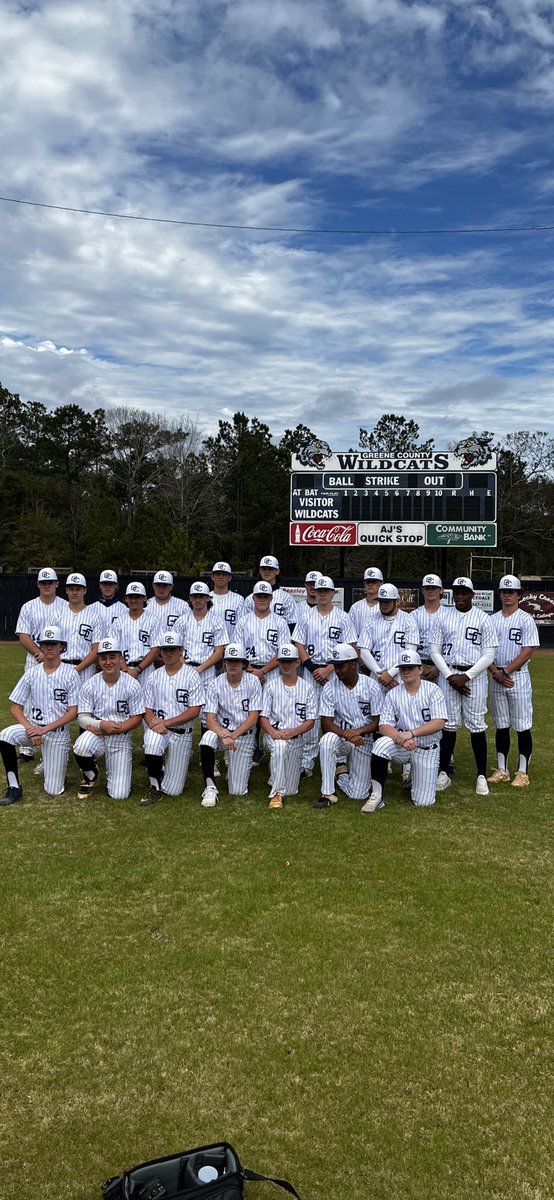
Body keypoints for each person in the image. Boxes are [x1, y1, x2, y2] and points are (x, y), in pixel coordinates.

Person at [430, 576, 497, 796]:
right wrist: (451, 677)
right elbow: (434, 651)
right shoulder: (443, 617)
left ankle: (481, 775)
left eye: (464, 592)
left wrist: (465, 677)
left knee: (476, 725)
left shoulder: (483, 618)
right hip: (449, 673)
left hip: (474, 676)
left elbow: (489, 654)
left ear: (472, 595)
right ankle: (444, 772)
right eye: (457, 592)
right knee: (448, 725)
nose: (460, 596)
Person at [0, 625, 79, 804]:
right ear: (41, 646)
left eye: (53, 643)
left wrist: (43, 730)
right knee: (5, 736)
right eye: (45, 644)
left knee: (53, 790)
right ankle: (14, 788)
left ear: (62, 646)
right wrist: (31, 728)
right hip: (33, 729)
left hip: (57, 734)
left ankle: (58, 771)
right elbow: (15, 707)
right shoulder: (32, 673)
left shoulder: (71, 674)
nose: (49, 647)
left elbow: (73, 712)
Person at [363, 650, 447, 812]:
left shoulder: (433, 690)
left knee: (423, 802)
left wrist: (411, 733)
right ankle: (377, 796)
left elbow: (439, 722)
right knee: (380, 745)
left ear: (420, 669)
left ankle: (414, 776)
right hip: (402, 745)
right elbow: (384, 726)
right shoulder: (393, 694)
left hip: (426, 748)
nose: (406, 672)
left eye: (410, 668)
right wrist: (402, 739)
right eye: (403, 668)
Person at [292, 575, 357, 776]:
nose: (322, 594)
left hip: (336, 672)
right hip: (311, 671)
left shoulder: (343, 617)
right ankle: (307, 762)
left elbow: (351, 646)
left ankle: (339, 759)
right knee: (310, 715)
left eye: (326, 591)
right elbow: (298, 644)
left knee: (339, 714)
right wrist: (312, 668)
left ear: (332, 593)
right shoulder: (306, 616)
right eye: (319, 590)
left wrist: (329, 668)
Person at [73, 636, 145, 799]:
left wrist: (117, 729)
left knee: (119, 795)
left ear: (120, 658)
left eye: (112, 657)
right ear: (99, 661)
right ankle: (91, 774)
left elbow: (137, 718)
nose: (108, 662)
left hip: (121, 736)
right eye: (103, 658)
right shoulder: (90, 684)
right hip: (97, 733)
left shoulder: (132, 684)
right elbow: (82, 718)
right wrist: (101, 724)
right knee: (81, 746)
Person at [487, 574, 539, 788]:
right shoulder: (491, 620)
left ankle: (523, 772)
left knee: (522, 725)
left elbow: (528, 651)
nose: (507, 595)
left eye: (512, 592)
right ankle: (502, 770)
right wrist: (495, 672)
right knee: (501, 725)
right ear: (500, 594)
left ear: (519, 594)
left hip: (517, 676)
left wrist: (506, 672)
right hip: (496, 676)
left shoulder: (526, 619)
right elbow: (486, 651)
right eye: (504, 591)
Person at [141, 630, 204, 805]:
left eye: (172, 649)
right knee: (152, 742)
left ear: (181, 650)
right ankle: (154, 787)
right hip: (159, 730)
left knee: (174, 791)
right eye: (165, 649)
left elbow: (194, 710)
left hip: (182, 733)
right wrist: (153, 723)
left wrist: (166, 722)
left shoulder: (192, 675)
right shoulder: (154, 676)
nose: (168, 653)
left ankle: (162, 770)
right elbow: (146, 708)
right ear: (160, 652)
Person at [316, 644, 380, 809]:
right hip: (341, 739)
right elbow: (327, 724)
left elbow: (377, 722)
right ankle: (328, 793)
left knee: (358, 794)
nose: (337, 670)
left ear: (353, 664)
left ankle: (341, 773)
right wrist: (348, 735)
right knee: (327, 740)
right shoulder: (329, 687)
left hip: (363, 740)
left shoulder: (371, 685)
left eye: (341, 666)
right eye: (335, 666)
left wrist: (358, 732)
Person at [198, 643, 263, 806]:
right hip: (222, 734)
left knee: (237, 791)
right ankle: (210, 787)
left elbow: (253, 718)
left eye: (237, 661)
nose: (233, 664)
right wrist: (223, 734)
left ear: (244, 664)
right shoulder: (215, 683)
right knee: (207, 738)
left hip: (243, 736)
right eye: (229, 661)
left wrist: (232, 736)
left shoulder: (254, 682)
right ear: (224, 663)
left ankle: (232, 761)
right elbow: (210, 719)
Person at [260, 643, 317, 808]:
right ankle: (276, 794)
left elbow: (311, 721)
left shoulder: (307, 688)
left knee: (291, 790)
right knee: (280, 747)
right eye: (283, 661)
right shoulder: (270, 686)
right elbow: (263, 717)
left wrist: (292, 732)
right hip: (274, 736)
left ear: (297, 662)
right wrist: (273, 733)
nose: (286, 664)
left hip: (296, 739)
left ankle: (275, 777)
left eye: (290, 661)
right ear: (278, 662)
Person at [15, 566, 69, 672]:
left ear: (56, 584)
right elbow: (23, 636)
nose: (46, 586)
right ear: (38, 584)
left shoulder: (67, 606)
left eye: (50, 583)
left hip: (60, 659)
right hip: (35, 659)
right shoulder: (28, 607)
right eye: (43, 583)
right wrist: (40, 653)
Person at [174, 581, 227, 682]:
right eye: (195, 596)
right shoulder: (181, 621)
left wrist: (199, 669)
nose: (198, 600)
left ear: (208, 598)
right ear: (190, 598)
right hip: (184, 670)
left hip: (208, 672)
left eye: (201, 596)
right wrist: (185, 669)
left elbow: (219, 651)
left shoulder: (217, 621)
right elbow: (176, 649)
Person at [111, 581, 162, 684]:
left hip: (147, 670)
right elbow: (114, 648)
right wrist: (125, 669)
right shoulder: (118, 622)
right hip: (123, 670)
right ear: (126, 599)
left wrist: (138, 669)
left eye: (137, 597)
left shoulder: (153, 620)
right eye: (130, 597)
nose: (134, 600)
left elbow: (156, 649)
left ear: (145, 598)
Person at [60, 572, 102, 680]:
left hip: (86, 671)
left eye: (78, 589)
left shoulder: (94, 616)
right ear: (66, 590)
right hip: (61, 669)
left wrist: (77, 669)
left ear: (85, 590)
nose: (74, 592)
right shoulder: (57, 615)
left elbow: (96, 649)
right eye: (71, 589)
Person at [242, 555, 297, 629]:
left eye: (270, 569)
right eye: (264, 569)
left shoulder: (286, 598)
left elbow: (292, 624)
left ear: (277, 571)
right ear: (260, 571)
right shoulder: (250, 598)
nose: (267, 572)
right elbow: (244, 624)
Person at [412, 574, 443, 682]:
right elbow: (408, 646)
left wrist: (439, 667)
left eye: (434, 588)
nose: (430, 591)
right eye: (427, 588)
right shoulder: (413, 615)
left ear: (441, 590)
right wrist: (421, 666)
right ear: (422, 590)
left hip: (443, 667)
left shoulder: (449, 615)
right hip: (418, 665)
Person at [209, 561, 246, 640]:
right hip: (208, 643)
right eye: (218, 574)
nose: (221, 577)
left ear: (229, 577)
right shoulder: (205, 598)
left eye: (224, 574)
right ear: (212, 577)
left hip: (231, 644)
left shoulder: (239, 599)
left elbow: (241, 626)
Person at [86, 570, 127, 637]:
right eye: (105, 584)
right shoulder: (90, 609)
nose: (107, 587)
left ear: (116, 585)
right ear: (100, 585)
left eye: (110, 584)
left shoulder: (124, 609)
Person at [149, 570, 190, 635]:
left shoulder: (183, 606)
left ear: (171, 587)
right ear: (153, 586)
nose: (161, 589)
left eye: (165, 585)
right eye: (158, 585)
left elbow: (189, 629)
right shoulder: (146, 605)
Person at [348, 567, 384, 639]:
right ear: (364, 584)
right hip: (359, 644)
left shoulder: (386, 607)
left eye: (374, 581)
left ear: (381, 584)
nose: (370, 584)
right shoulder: (356, 607)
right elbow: (349, 631)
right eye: (368, 582)